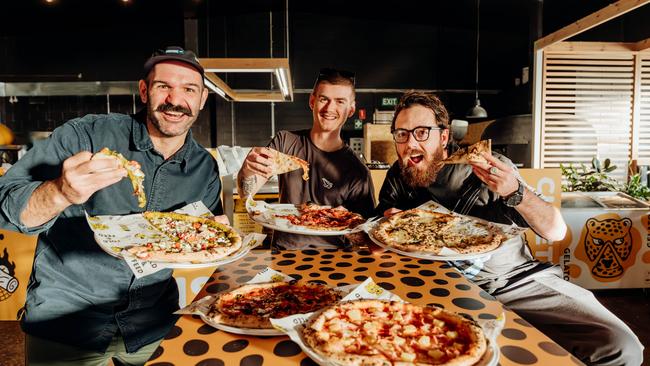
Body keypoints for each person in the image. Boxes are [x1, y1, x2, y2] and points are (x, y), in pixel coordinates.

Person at [375, 91, 643, 366]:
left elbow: (556, 231)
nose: (410, 143)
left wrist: (515, 192)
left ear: (444, 137)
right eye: (402, 134)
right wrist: (389, 220)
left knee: (621, 346)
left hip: (514, 282)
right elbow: (378, 236)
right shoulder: (399, 174)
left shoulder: (491, 167)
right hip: (438, 287)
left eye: (421, 132)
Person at [0, 46, 224, 365]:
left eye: (189, 89)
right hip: (67, 322)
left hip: (154, 324)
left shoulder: (204, 167)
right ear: (144, 91)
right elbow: (5, 204)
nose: (176, 100)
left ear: (202, 99)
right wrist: (60, 191)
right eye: (164, 86)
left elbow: (204, 235)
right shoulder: (87, 135)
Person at [237, 68, 374, 250]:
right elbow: (246, 194)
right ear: (312, 101)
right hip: (283, 254)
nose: (329, 108)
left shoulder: (357, 170)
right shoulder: (285, 142)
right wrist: (247, 170)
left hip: (334, 259)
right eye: (324, 99)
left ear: (351, 110)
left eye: (340, 102)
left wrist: (346, 223)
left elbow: (366, 237)